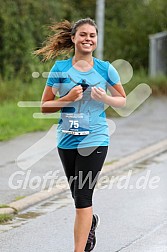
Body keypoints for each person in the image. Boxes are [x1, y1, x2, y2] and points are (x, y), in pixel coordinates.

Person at [34, 17, 126, 252]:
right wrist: (66, 99)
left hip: (95, 140)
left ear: (96, 40)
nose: (88, 39)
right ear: (73, 38)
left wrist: (105, 98)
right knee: (78, 196)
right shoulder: (60, 69)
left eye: (92, 35)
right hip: (66, 140)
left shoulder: (105, 68)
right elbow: (45, 106)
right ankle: (90, 224)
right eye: (83, 35)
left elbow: (122, 100)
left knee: (83, 198)